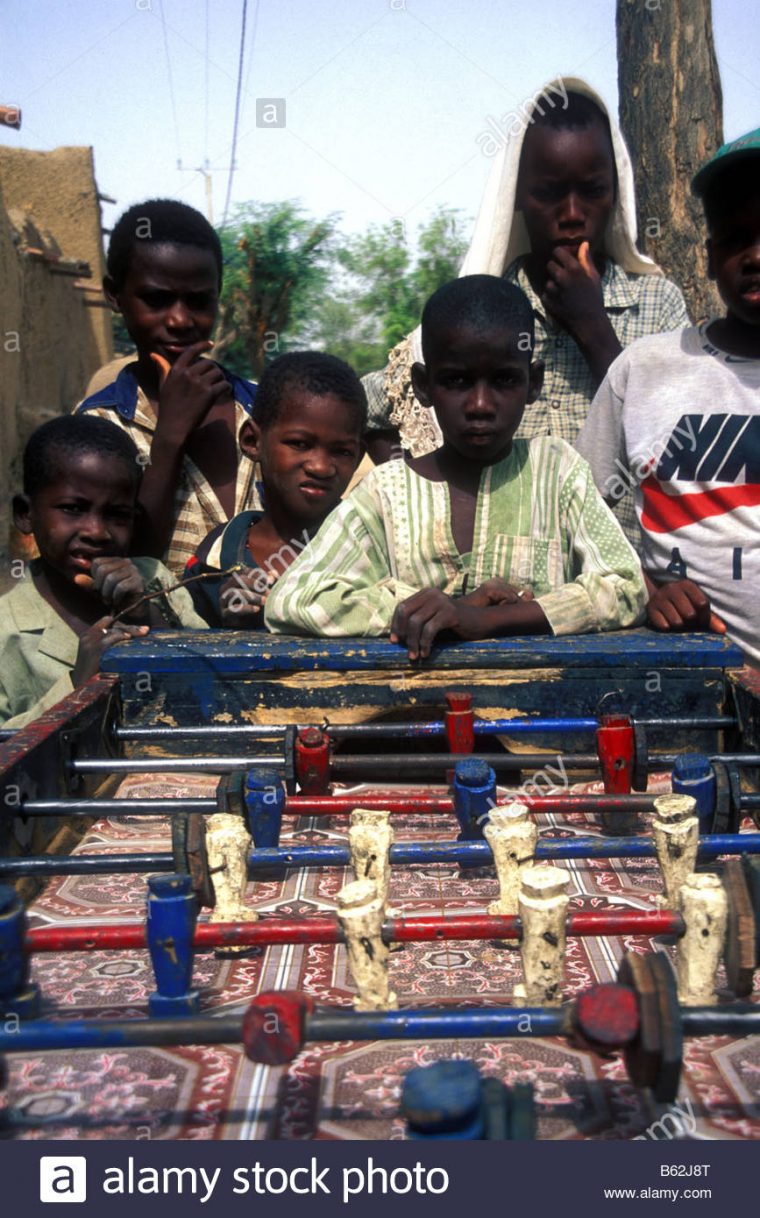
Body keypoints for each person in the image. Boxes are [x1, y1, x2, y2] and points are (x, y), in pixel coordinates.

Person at [362, 79, 690, 539]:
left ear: (615, 193)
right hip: (503, 596)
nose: (572, 213)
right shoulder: (482, 309)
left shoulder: (657, 305)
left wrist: (593, 326)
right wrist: (413, 482)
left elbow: (679, 441)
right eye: (550, 193)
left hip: (629, 586)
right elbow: (365, 404)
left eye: (592, 191)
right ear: (516, 196)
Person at [265, 276, 646, 658]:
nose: (480, 404)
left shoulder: (556, 470)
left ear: (534, 383)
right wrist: (431, 608)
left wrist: (489, 620)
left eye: (503, 380)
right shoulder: (387, 492)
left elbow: (626, 587)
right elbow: (295, 599)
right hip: (419, 709)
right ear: (423, 385)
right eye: (457, 380)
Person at [576, 128, 760, 667]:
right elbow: (579, 511)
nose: (754, 256)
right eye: (735, 238)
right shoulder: (647, 369)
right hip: (696, 689)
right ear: (708, 258)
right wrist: (646, 588)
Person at [75, 199, 259, 574]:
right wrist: (170, 437)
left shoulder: (261, 409)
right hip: (156, 631)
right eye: (157, 299)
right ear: (115, 296)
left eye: (198, 300)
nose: (179, 320)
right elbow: (123, 557)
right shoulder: (97, 425)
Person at [0, 415, 207, 729]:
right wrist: (78, 687)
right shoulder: (7, 628)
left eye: (117, 515)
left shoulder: (153, 579)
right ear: (26, 514)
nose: (97, 532)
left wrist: (146, 616)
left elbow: (213, 681)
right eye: (73, 508)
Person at [185, 352, 366, 626]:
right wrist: (227, 623)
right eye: (299, 444)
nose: (320, 467)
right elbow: (183, 641)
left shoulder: (371, 546)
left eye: (342, 451)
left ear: (358, 456)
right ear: (252, 441)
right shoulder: (216, 556)